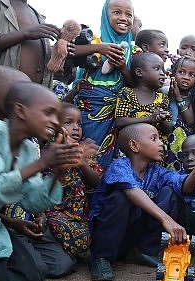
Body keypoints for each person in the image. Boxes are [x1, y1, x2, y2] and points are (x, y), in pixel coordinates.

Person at [0, 81, 85, 281]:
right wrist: (43, 163)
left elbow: (33, 203)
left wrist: (58, 171)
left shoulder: (27, 148)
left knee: (33, 275)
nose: (55, 122)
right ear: (20, 111)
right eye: (48, 113)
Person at [87, 123, 195, 281]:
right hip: (109, 235)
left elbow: (184, 187)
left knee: (171, 193)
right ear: (134, 146)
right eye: (154, 138)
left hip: (132, 233)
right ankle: (101, 258)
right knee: (121, 197)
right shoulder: (119, 166)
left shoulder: (157, 171)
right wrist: (167, 220)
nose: (161, 143)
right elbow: (132, 191)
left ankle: (141, 251)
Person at [75, 0, 135, 169]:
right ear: (105, 15)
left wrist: (123, 67)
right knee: (82, 153)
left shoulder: (133, 50)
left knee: (104, 160)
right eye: (117, 12)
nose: (123, 18)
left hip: (114, 115)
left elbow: (132, 85)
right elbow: (70, 53)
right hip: (87, 110)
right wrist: (101, 48)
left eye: (128, 14)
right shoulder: (94, 41)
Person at [45, 103, 103, 260]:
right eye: (68, 122)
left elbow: (98, 182)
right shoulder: (49, 152)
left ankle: (64, 250)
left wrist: (82, 161)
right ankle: (59, 251)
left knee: (94, 234)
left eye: (79, 124)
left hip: (79, 216)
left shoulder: (85, 151)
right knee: (57, 226)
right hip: (54, 212)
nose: (76, 128)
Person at [0, 0, 59, 97]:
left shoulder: (36, 14)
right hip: (2, 96)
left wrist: (59, 52)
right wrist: (25, 33)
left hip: (36, 98)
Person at [115, 52, 172, 155]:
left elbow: (169, 130)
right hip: (131, 151)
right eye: (156, 68)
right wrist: (150, 118)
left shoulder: (162, 98)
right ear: (139, 72)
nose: (162, 73)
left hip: (156, 153)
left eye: (163, 70)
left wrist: (162, 120)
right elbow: (120, 122)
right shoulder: (127, 93)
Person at [166, 56, 195, 171]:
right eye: (181, 72)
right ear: (173, 73)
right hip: (166, 137)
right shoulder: (165, 91)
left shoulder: (192, 97)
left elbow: (190, 121)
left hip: (183, 142)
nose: (186, 77)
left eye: (192, 75)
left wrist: (178, 97)